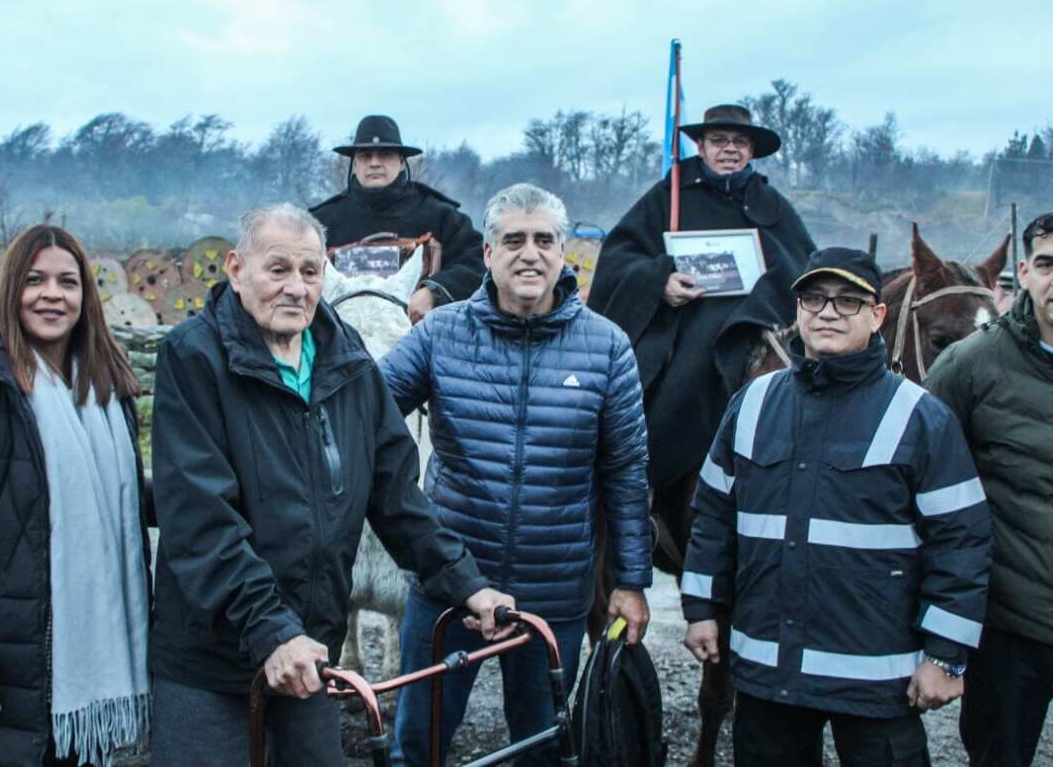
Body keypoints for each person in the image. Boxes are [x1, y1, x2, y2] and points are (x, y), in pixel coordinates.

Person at [148, 203, 513, 766]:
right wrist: (271, 631)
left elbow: (397, 497)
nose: (295, 287)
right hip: (214, 659)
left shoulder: (350, 365)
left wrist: (466, 584)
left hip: (310, 652)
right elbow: (201, 518)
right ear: (235, 268)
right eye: (278, 270)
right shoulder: (193, 358)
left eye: (310, 271)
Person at [681, 248, 991, 766]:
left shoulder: (921, 416)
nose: (827, 312)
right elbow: (713, 516)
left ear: (878, 316)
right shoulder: (752, 404)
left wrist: (945, 656)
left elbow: (962, 542)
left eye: (848, 301)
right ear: (797, 309)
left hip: (876, 683)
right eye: (815, 299)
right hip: (767, 674)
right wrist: (701, 610)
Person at [381, 184, 653, 767]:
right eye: (514, 240)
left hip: (552, 594)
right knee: (417, 744)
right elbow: (366, 413)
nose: (529, 253)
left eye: (544, 240)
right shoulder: (441, 334)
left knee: (543, 747)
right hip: (449, 587)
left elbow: (627, 474)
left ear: (563, 254)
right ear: (487, 253)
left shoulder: (607, 348)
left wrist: (631, 581)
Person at [0, 225, 151, 767]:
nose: (52, 295)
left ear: (86, 296)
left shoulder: (105, 390)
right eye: (34, 280)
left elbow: (118, 499)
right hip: (6, 665)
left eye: (68, 282)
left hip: (73, 665)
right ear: (10, 289)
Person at [587, 105, 815, 511]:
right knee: (678, 376)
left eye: (739, 142)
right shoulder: (671, 193)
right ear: (702, 145)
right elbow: (620, 258)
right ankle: (645, 488)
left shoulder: (769, 202)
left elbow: (800, 262)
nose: (730, 150)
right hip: (687, 320)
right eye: (720, 141)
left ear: (751, 150)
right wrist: (660, 281)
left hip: (761, 320)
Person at [925, 212, 1053, 766]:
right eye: (1048, 264)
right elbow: (924, 487)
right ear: (1022, 273)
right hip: (1011, 623)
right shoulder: (968, 364)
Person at [310, 115, 486, 323]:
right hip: (336, 345)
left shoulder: (440, 215)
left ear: (402, 162)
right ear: (355, 164)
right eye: (366, 156)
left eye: (385, 155)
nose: (375, 163)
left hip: (422, 342)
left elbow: (477, 263)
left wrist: (434, 292)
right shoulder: (321, 221)